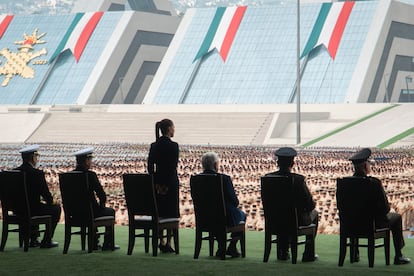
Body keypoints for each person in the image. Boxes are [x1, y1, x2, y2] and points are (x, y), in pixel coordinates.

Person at [348, 148, 410, 265]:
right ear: (364, 166)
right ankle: (398, 255)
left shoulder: (344, 183)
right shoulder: (374, 183)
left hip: (351, 223)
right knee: (396, 217)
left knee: (356, 217)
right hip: (372, 224)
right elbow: (385, 208)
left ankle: (354, 254)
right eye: (369, 163)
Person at [265, 147, 319, 262]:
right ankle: (308, 254)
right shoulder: (298, 180)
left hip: (273, 221)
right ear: (292, 163)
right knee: (315, 214)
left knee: (281, 215)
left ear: (278, 163)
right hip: (294, 221)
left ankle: (283, 251)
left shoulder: (268, 179)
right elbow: (309, 205)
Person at [198, 151, 246, 258]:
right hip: (222, 218)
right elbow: (235, 201)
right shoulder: (223, 179)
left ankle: (221, 246)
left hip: (203, 218)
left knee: (217, 215)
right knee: (242, 215)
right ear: (215, 165)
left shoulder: (196, 179)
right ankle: (231, 246)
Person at [72, 147, 119, 251]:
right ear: (87, 161)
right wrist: (101, 208)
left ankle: (94, 241)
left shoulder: (68, 176)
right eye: (90, 160)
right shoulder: (90, 175)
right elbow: (102, 196)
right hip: (91, 212)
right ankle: (108, 243)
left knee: (92, 211)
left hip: (74, 213)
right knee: (110, 212)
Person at [14, 145, 61, 248]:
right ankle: (47, 240)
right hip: (32, 210)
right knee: (56, 209)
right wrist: (53, 202)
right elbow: (47, 197)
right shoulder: (36, 173)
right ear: (32, 157)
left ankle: (34, 239)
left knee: (35, 206)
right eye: (36, 157)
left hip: (17, 210)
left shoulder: (13, 172)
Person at [148, 119, 180, 253]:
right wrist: (166, 185)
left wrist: (156, 183)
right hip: (171, 183)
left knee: (159, 212)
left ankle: (161, 241)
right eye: (173, 127)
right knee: (171, 212)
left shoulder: (154, 145)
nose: (174, 130)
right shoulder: (174, 146)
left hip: (156, 184)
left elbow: (150, 166)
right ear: (168, 129)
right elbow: (172, 167)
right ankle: (168, 242)